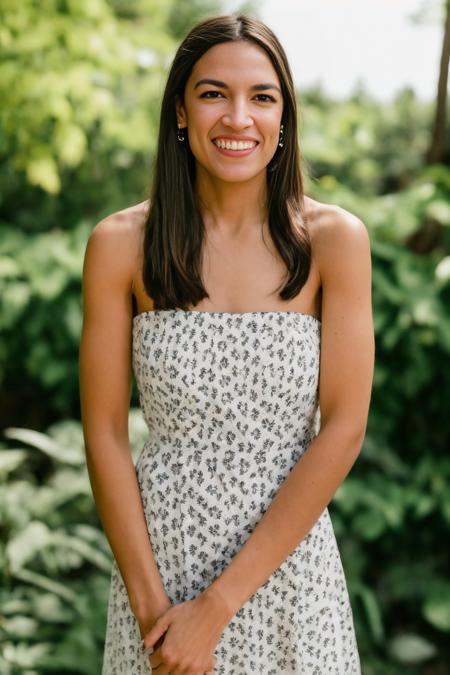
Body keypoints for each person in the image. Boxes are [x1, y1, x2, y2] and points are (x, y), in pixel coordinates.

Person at [79, 13, 374, 675]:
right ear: (180, 112)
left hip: (292, 579)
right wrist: (159, 617)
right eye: (213, 93)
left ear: (283, 118)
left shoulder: (335, 242)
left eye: (261, 96)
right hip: (159, 579)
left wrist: (216, 608)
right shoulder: (120, 245)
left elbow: (345, 428)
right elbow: (103, 431)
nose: (237, 116)